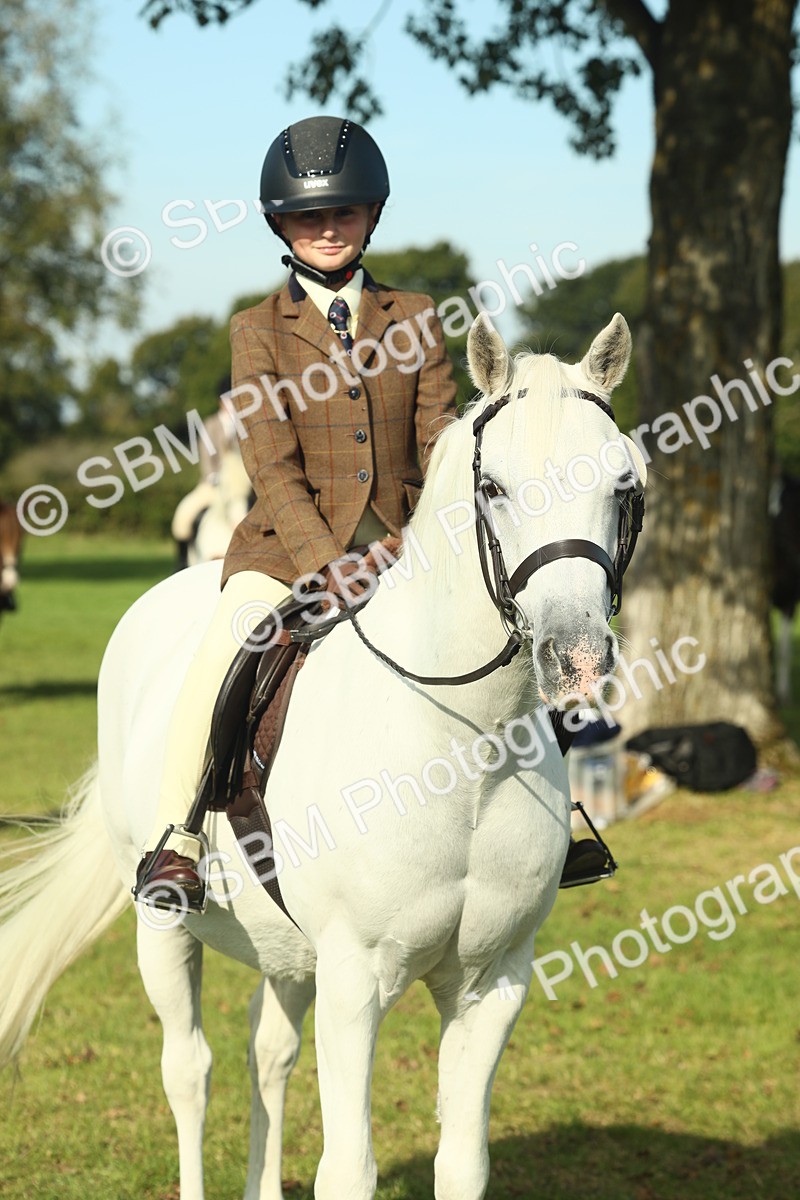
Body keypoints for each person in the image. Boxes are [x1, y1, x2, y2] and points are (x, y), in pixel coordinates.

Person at [136, 115, 458, 908]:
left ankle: (547, 815)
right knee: (224, 652)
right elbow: (270, 466)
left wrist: (411, 544)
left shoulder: (416, 315)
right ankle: (179, 838)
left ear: (372, 215)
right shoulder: (256, 331)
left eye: (343, 213)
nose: (327, 228)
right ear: (281, 223)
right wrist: (331, 565)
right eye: (309, 216)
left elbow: (443, 442)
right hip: (287, 553)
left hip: (411, 548)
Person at [171, 373, 249, 569]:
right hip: (213, 485)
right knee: (183, 515)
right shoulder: (211, 425)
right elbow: (207, 460)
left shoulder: (246, 425)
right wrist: (215, 477)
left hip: (242, 487)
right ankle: (181, 564)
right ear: (221, 401)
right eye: (229, 399)